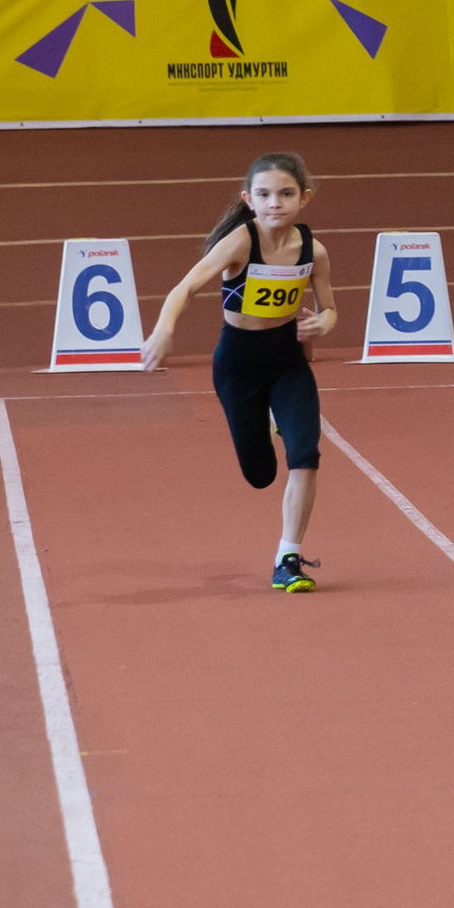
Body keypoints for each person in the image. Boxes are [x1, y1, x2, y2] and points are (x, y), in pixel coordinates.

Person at [138, 152, 338, 593]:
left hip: (287, 361)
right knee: (260, 474)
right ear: (249, 199)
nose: (275, 203)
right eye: (264, 195)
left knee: (305, 453)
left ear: (304, 198)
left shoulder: (313, 251)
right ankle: (269, 423)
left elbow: (329, 309)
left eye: (286, 194)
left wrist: (323, 323)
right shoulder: (239, 243)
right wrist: (164, 332)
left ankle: (288, 557)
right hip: (237, 365)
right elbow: (184, 287)